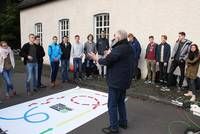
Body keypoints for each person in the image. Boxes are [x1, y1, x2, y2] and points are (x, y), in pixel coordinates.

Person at [89, 30, 134, 134]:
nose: (113, 38)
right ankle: (123, 122)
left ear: (119, 38)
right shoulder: (128, 47)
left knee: (112, 104)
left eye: (115, 36)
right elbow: (116, 59)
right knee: (120, 102)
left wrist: (96, 58)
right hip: (124, 81)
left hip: (116, 81)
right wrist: (109, 53)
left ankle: (114, 128)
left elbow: (107, 61)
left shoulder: (119, 48)